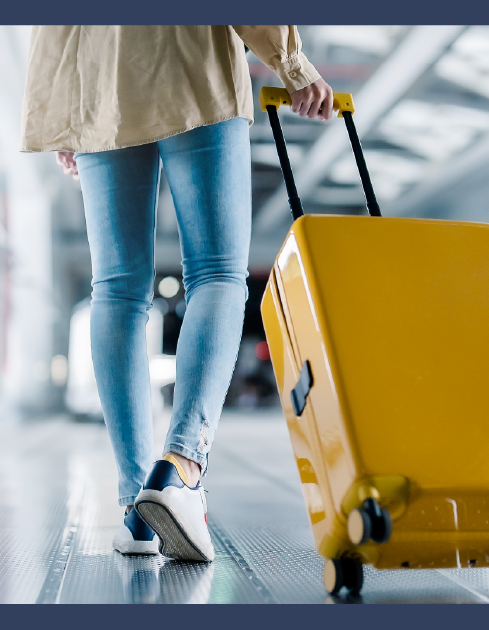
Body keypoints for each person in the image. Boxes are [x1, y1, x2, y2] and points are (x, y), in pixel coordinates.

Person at [20, 26, 334, 561]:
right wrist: (292, 63)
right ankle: (183, 466)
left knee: (116, 289)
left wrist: (60, 112)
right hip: (194, 64)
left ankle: (135, 511)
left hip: (98, 82)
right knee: (217, 273)